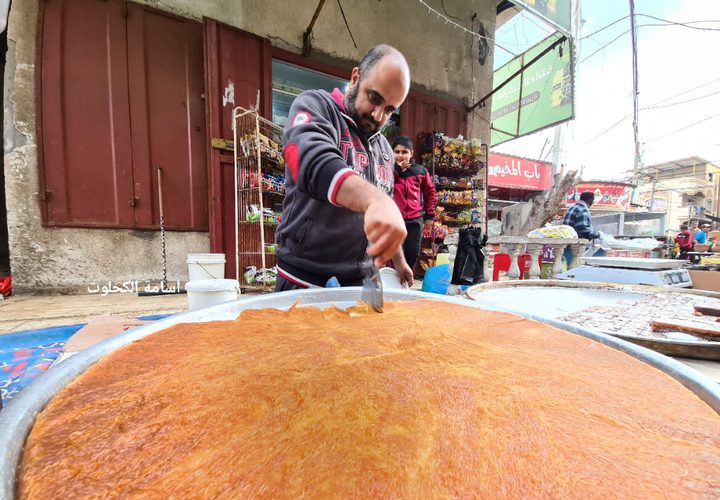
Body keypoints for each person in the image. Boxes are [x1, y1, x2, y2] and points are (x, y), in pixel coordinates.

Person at [274, 45, 413, 291]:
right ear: (355, 77)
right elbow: (309, 160)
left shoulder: (384, 149)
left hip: (359, 281)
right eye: (375, 98)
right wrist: (374, 199)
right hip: (304, 276)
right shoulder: (316, 106)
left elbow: (382, 212)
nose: (379, 116)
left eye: (390, 109)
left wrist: (398, 259)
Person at [391, 136, 436, 269]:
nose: (400, 155)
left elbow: (430, 192)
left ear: (411, 153)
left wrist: (429, 215)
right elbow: (383, 185)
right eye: (397, 151)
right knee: (394, 254)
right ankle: (392, 282)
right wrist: (397, 171)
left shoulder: (420, 171)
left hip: (415, 220)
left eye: (404, 152)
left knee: (412, 254)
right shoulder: (388, 170)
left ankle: (404, 283)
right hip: (394, 220)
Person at [562, 191, 600, 265]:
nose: (592, 203)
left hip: (568, 237)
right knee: (578, 262)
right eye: (592, 200)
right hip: (576, 241)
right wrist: (595, 235)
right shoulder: (583, 209)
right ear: (588, 200)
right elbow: (583, 229)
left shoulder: (572, 207)